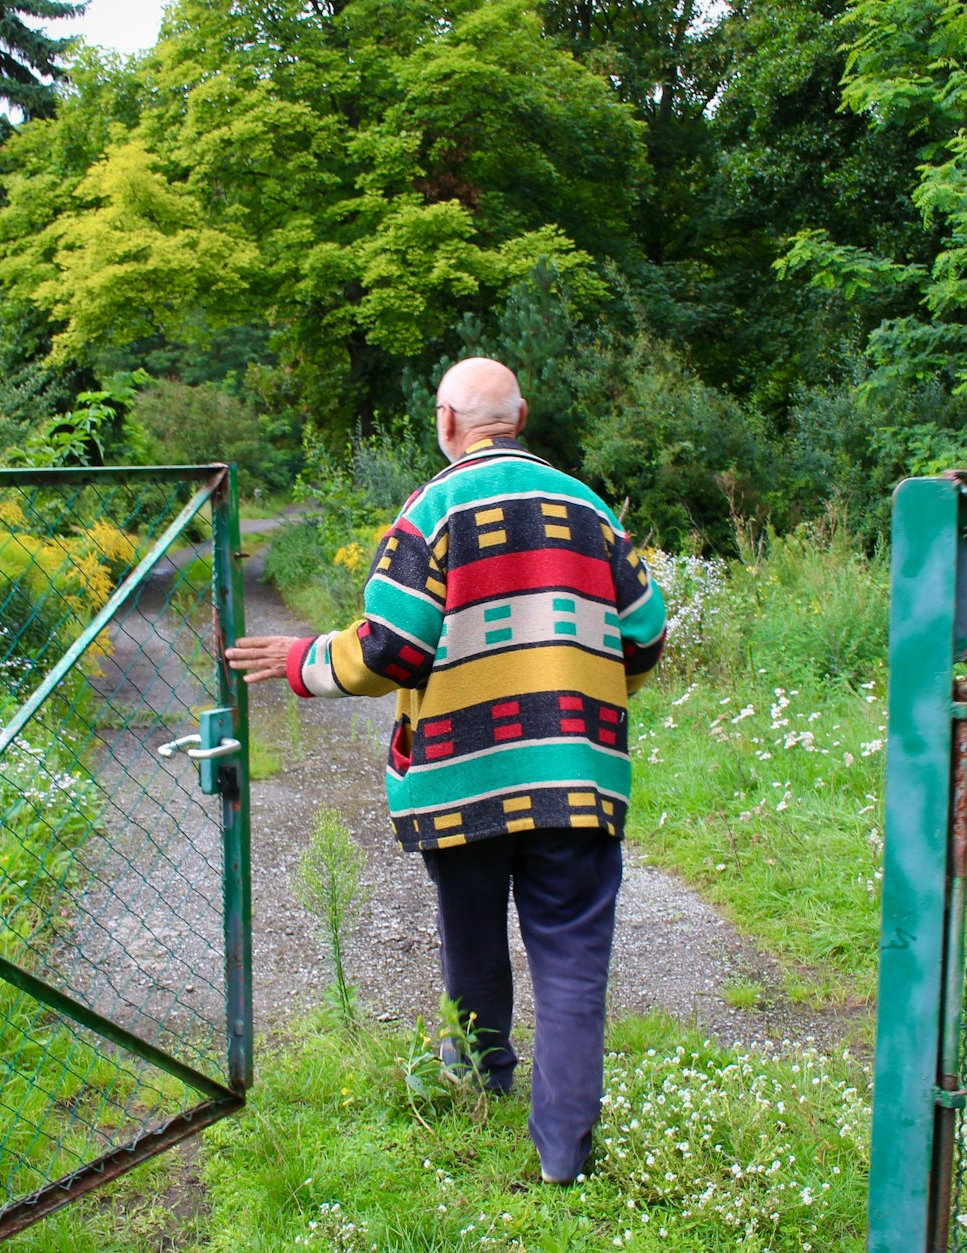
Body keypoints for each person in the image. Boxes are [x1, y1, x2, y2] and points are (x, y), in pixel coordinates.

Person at [224, 357, 666, 1184]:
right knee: (572, 961)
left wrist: (301, 659)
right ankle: (563, 1154)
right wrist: (584, 692)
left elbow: (390, 648)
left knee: (470, 931)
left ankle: (479, 1070)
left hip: (463, 776)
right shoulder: (589, 508)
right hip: (578, 773)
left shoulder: (432, 510)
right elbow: (644, 635)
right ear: (520, 417)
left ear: (446, 421)